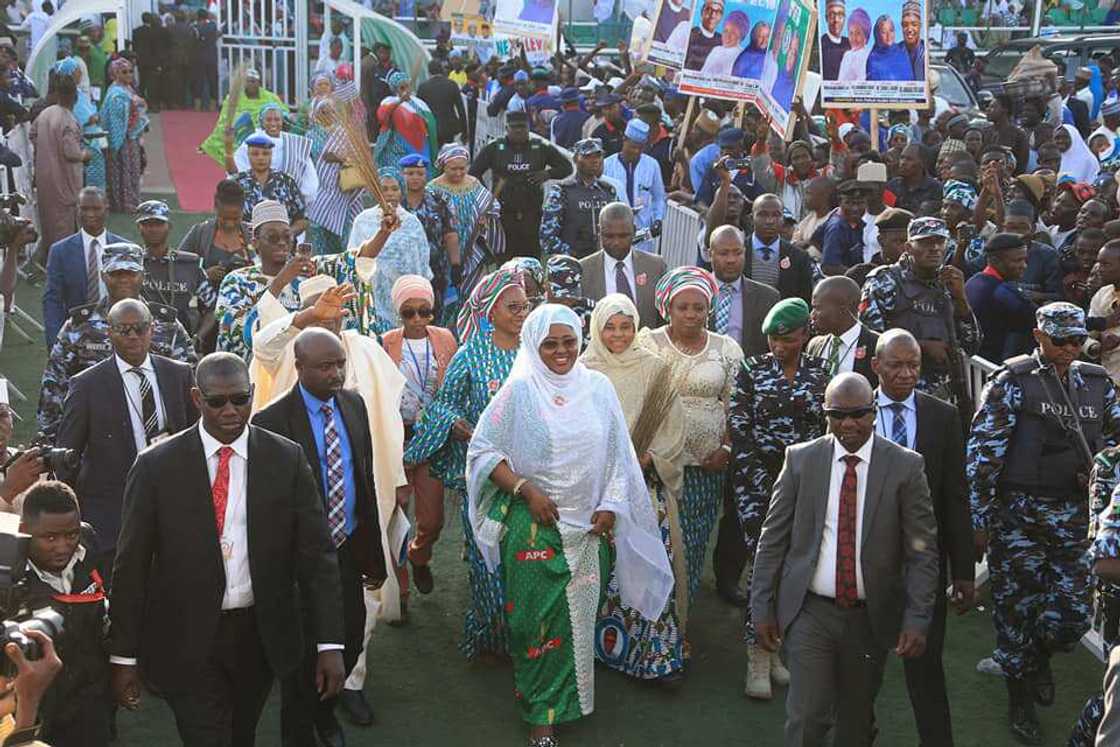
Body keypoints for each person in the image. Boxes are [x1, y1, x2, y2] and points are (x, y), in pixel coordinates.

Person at [108, 352, 347, 746]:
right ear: (196, 399)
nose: (230, 410)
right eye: (217, 401)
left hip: (260, 635)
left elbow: (318, 558)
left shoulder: (285, 458)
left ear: (252, 393)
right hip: (186, 636)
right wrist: (123, 657)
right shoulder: (156, 467)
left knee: (241, 734)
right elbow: (130, 566)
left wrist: (330, 644)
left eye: (240, 398)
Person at [466, 303, 672, 746]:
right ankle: (540, 717)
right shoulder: (519, 392)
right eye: (550, 344)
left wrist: (613, 503)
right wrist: (526, 489)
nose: (561, 352)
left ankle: (570, 702)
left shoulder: (597, 387)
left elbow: (618, 454)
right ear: (533, 345)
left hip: (589, 530)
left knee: (576, 622)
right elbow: (484, 452)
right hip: (535, 526)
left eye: (569, 342)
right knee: (535, 624)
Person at [249, 277, 408, 727]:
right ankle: (311, 721)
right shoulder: (272, 414)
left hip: (350, 541)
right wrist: (305, 318)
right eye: (325, 368)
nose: (335, 374)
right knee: (304, 645)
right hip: (299, 550)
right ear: (300, 365)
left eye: (339, 366)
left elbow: (371, 450)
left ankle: (333, 701)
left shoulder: (353, 395)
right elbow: (262, 344)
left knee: (353, 630)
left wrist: (392, 487)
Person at [751, 371, 939, 745]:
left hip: (869, 619)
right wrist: (761, 608)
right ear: (826, 415)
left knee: (854, 726)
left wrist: (917, 618)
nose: (848, 423)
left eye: (858, 414)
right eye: (838, 415)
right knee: (806, 718)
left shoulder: (906, 466)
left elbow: (923, 552)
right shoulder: (801, 460)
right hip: (811, 613)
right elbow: (772, 540)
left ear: (874, 412)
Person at [969, 302, 1120, 744]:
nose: (1070, 349)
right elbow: (984, 454)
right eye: (1061, 341)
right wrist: (978, 519)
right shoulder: (1011, 383)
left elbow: (1114, 448)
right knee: (1016, 614)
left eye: (1077, 340)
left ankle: (1037, 660)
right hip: (1018, 518)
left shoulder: (1096, 384)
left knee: (1071, 616)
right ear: (1039, 336)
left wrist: (1097, 476)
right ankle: (1020, 700)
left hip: (1074, 520)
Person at [403, 269, 529, 660]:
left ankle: (527, 632)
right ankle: (490, 632)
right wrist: (454, 423)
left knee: (523, 553)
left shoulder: (537, 349)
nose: (521, 313)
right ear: (490, 311)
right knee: (484, 552)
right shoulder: (471, 354)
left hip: (532, 470)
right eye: (513, 307)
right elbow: (442, 403)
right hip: (484, 474)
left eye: (525, 306)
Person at [870, 330, 974, 747]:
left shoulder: (942, 416)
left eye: (912, 365)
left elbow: (955, 497)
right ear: (876, 365)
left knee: (926, 668)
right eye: (895, 365)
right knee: (862, 669)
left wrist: (964, 572)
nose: (905, 373)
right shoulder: (850, 409)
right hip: (864, 563)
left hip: (922, 566)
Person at [580, 294, 688, 685]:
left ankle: (655, 659)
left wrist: (647, 459)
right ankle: (599, 652)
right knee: (598, 571)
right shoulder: (582, 370)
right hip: (596, 490)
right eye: (610, 326)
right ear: (596, 328)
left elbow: (674, 431)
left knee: (648, 566)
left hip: (644, 489)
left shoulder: (655, 370)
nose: (619, 335)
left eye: (626, 326)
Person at [54, 296, 197, 576]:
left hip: (175, 507)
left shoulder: (179, 374)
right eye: (123, 329)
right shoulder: (86, 385)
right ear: (109, 332)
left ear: (152, 329)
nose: (133, 335)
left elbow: (197, 437)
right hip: (113, 518)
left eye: (140, 328)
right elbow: (67, 456)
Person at [729, 297, 828, 699]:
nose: (778, 346)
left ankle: (776, 650)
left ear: (805, 335)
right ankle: (756, 656)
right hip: (758, 484)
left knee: (796, 564)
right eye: (772, 339)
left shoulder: (820, 374)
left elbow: (826, 431)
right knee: (762, 564)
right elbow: (739, 425)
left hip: (804, 485)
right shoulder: (752, 371)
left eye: (786, 338)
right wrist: (761, 481)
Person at [639, 267, 743, 604]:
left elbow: (737, 405)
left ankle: (681, 622)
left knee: (694, 542)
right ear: (666, 307)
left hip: (706, 466)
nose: (691, 314)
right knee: (656, 541)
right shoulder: (647, 343)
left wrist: (726, 448)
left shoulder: (726, 348)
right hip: (655, 466)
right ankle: (654, 625)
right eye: (682, 306)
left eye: (699, 307)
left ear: (709, 309)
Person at [38, 244, 197, 441]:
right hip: (98, 435)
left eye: (131, 273)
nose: (124, 280)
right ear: (104, 276)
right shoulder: (78, 327)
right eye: (116, 273)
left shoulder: (167, 324)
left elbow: (190, 383)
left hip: (161, 435)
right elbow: (54, 387)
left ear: (143, 275)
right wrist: (54, 443)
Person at [215, 200, 391, 361]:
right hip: (262, 374)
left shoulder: (311, 271)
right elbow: (237, 333)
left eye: (287, 237)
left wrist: (384, 232)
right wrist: (281, 281)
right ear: (256, 242)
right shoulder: (236, 281)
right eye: (273, 238)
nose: (282, 243)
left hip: (307, 370)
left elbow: (355, 262)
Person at [381, 276, 458, 595]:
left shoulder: (445, 339)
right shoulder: (385, 342)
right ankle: (400, 590)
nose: (416, 319)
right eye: (408, 313)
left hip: (433, 440)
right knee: (395, 514)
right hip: (398, 439)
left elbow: (453, 384)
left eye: (424, 312)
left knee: (432, 519)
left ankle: (419, 555)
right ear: (398, 314)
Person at [19, 481, 110, 746]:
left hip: (91, 702)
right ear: (24, 531)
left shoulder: (89, 542)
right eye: (49, 538)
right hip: (35, 709)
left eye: (71, 535)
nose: (62, 546)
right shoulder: (9, 579)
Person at [859, 216, 981, 404]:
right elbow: (870, 338)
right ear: (908, 247)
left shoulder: (949, 281)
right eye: (925, 242)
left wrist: (961, 298)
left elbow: (972, 345)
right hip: (898, 389)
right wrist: (921, 347)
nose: (934, 248)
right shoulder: (885, 281)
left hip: (945, 395)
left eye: (939, 241)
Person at [470, 111, 573, 259]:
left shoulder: (541, 147)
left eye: (523, 127)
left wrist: (547, 174)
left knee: (531, 257)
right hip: (503, 213)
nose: (519, 130)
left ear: (529, 127)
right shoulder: (494, 148)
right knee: (505, 257)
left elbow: (566, 167)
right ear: (506, 128)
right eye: (514, 127)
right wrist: (487, 195)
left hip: (532, 212)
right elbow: (474, 172)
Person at [346, 169, 432, 335]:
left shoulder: (412, 223)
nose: (390, 194)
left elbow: (420, 262)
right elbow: (353, 259)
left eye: (395, 189)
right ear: (375, 191)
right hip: (372, 296)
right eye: (384, 189)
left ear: (402, 191)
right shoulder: (362, 221)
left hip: (403, 295)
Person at [41, 187, 127, 347]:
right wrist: (55, 341)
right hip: (76, 334)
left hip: (117, 333)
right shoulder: (60, 251)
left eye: (96, 208)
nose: (90, 214)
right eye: (84, 208)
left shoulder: (125, 248)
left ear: (106, 210)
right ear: (77, 210)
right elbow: (52, 300)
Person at [429, 144, 506, 298]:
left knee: (473, 291)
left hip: (472, 245)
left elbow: (490, 206)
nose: (459, 173)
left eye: (462, 168)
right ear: (443, 166)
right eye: (453, 169)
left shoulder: (474, 183)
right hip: (444, 248)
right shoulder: (432, 189)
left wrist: (485, 218)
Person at [29, 72, 89, 267]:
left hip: (44, 177)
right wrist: (85, 156)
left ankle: (49, 258)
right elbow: (70, 152)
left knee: (48, 219)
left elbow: (32, 135)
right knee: (63, 222)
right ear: (74, 96)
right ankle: (62, 264)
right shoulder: (68, 120)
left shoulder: (45, 113)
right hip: (64, 180)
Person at [579, 202, 668, 330]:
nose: (616, 242)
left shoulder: (655, 267)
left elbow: (663, 320)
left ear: (634, 230)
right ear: (599, 231)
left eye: (623, 236)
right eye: (609, 236)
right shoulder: (583, 271)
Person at [136, 200, 216, 336]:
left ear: (169, 226)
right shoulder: (133, 265)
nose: (153, 229)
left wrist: (198, 338)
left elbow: (213, 308)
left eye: (159, 224)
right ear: (139, 227)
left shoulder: (189, 265)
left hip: (180, 343)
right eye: (147, 224)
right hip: (140, 340)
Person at [305, 90, 368, 257]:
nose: (328, 115)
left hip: (344, 192)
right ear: (317, 114)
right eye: (324, 112)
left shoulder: (345, 134)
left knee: (345, 234)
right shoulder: (311, 135)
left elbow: (359, 158)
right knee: (320, 230)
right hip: (320, 192)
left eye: (332, 111)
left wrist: (340, 158)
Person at [399, 154, 459, 325]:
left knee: (432, 314)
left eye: (420, 173)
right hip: (401, 270)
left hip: (435, 270)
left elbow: (450, 233)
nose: (415, 178)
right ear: (402, 175)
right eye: (410, 173)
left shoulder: (439, 200)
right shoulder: (395, 202)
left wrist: (455, 265)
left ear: (427, 176)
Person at [540, 138, 621, 259]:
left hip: (604, 261)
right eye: (588, 156)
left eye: (598, 156)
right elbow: (547, 238)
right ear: (576, 159)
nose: (595, 161)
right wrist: (572, 254)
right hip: (573, 265)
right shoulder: (561, 191)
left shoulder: (608, 191)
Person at [707, 224, 780, 357]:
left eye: (737, 253)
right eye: (724, 253)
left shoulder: (768, 298)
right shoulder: (694, 293)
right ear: (709, 255)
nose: (731, 260)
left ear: (745, 253)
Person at [229, 104, 319, 208]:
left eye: (277, 119)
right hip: (256, 201)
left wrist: (302, 199)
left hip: (288, 202)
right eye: (268, 119)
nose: (273, 123)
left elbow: (309, 175)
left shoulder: (295, 143)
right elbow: (238, 169)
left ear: (282, 121)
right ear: (262, 122)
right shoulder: (252, 141)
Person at [965, 232, 1036, 363]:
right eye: (1017, 260)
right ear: (995, 261)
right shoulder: (1003, 292)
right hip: (993, 367)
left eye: (1025, 260)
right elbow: (1037, 321)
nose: (1024, 266)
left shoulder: (973, 281)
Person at [806, 275, 880, 385]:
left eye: (818, 308)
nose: (812, 315)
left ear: (842, 309)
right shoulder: (815, 345)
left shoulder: (877, 345)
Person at [199, 68, 283, 163]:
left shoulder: (271, 97)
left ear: (259, 83)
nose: (250, 84)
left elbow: (283, 114)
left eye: (253, 81)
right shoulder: (233, 97)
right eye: (247, 81)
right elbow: (223, 121)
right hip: (240, 134)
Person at [233, 134, 309, 235]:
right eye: (255, 154)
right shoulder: (237, 183)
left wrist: (288, 234)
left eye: (265, 154)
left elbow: (302, 219)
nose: (260, 158)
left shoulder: (286, 182)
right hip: (246, 245)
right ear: (248, 155)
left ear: (271, 155)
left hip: (282, 246)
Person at [745, 194, 815, 302]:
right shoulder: (739, 251)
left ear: (783, 219)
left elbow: (804, 301)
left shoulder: (799, 257)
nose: (770, 221)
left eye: (776, 215)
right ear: (751, 218)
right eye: (762, 215)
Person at [99, 58, 148, 214]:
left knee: (133, 169)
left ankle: (132, 200)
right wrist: (133, 104)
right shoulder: (116, 93)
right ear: (115, 74)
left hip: (131, 137)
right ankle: (123, 203)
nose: (129, 75)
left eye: (130, 71)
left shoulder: (128, 89)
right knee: (122, 170)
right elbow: (115, 118)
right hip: (121, 139)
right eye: (124, 72)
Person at [374, 71, 437, 172]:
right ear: (395, 90)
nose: (406, 90)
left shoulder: (419, 104)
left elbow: (430, 124)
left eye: (407, 87)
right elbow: (382, 117)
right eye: (402, 88)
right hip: (397, 150)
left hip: (419, 148)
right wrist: (400, 101)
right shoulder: (389, 101)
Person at [1086, 240, 1120, 383]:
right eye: (1099, 263)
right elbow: (1084, 335)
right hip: (1109, 380)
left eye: (1106, 264)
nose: (1099, 268)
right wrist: (1097, 344)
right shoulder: (1103, 294)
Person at [820, 180, 868, 274]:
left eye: (860, 203)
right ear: (840, 203)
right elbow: (829, 266)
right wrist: (857, 275)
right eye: (849, 203)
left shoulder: (859, 224)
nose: (855, 208)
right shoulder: (837, 228)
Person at [416, 59, 467, 147]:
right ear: (442, 70)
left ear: (429, 71)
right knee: (448, 156)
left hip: (431, 128)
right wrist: (464, 131)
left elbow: (418, 111)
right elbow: (461, 110)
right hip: (449, 128)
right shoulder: (452, 85)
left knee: (434, 156)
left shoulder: (423, 87)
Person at [699, 10, 748, 76]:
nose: (727, 36)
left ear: (741, 36)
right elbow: (702, 73)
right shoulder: (716, 50)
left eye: (733, 33)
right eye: (725, 31)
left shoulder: (741, 56)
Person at [865, 15, 911, 82]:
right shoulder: (873, 60)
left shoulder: (902, 53)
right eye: (883, 32)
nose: (888, 35)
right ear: (877, 34)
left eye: (891, 30)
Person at [820, 0, 849, 80]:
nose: (836, 20)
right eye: (832, 15)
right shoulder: (822, 45)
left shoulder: (850, 44)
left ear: (844, 18)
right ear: (826, 18)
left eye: (840, 15)